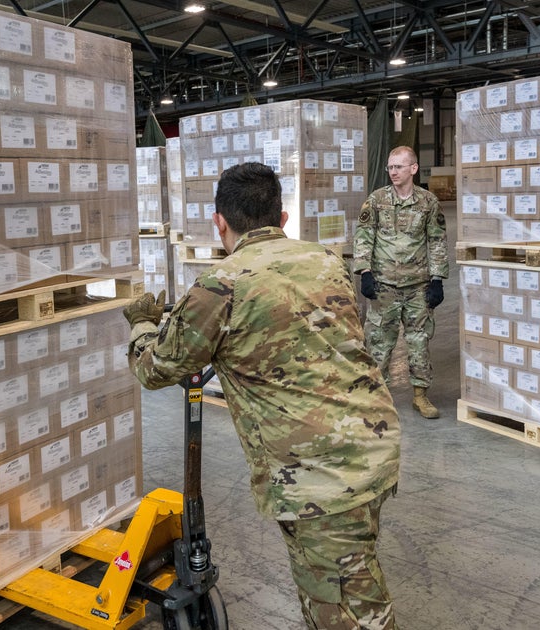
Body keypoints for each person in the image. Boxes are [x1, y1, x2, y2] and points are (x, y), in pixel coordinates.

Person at [123, 162, 402, 629]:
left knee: (342, 611)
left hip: (319, 478)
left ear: (219, 222)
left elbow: (156, 369)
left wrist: (142, 323)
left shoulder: (221, 284)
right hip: (372, 448)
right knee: (356, 581)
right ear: (284, 218)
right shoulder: (326, 260)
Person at [352, 146, 449, 419]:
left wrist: (438, 279)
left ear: (413, 169)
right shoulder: (376, 200)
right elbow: (363, 237)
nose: (393, 172)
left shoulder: (429, 202)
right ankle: (376, 399)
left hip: (418, 285)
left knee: (419, 341)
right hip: (384, 286)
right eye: (390, 167)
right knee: (379, 343)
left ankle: (420, 396)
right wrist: (365, 272)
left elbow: (437, 240)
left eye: (399, 167)